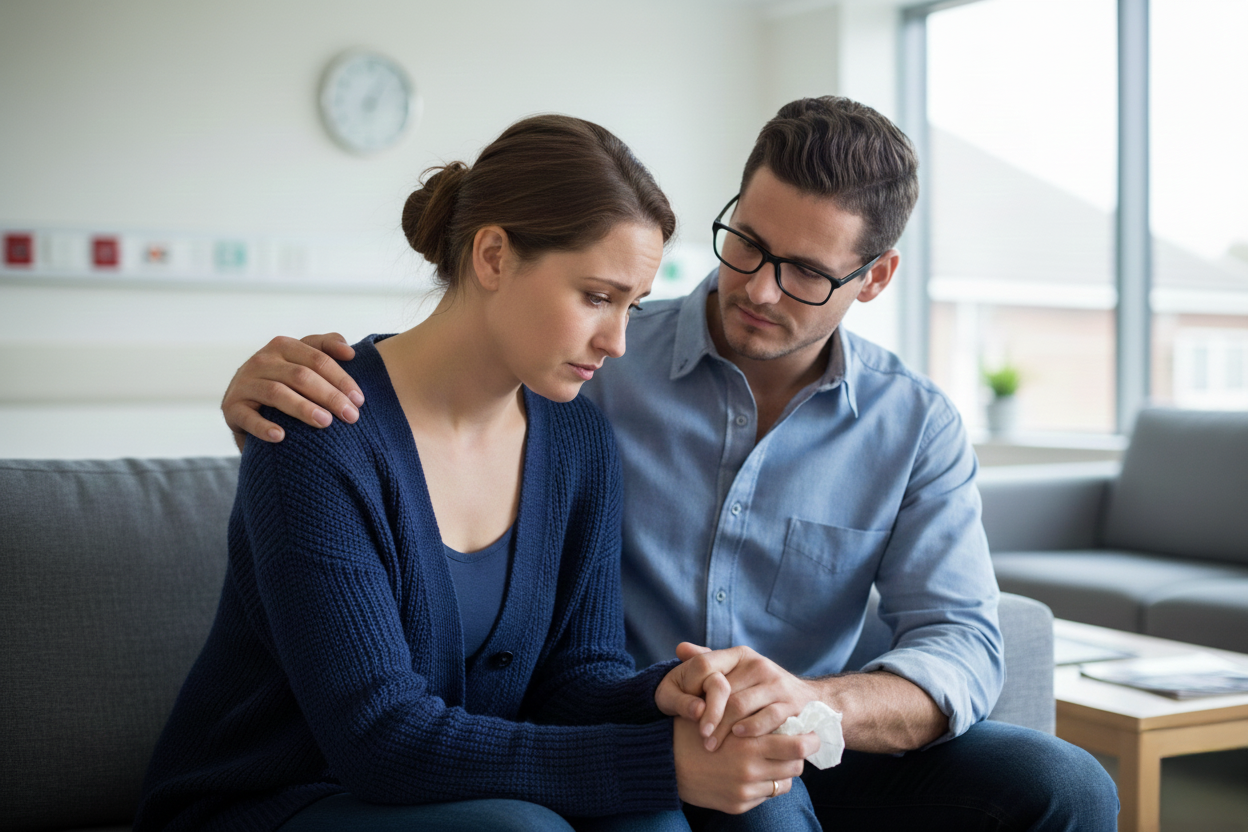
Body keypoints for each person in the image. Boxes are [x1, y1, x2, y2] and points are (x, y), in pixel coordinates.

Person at [220, 98, 1121, 831]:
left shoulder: (910, 422)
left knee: (1065, 785)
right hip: (606, 748)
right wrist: (272, 407)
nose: (758, 289)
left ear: (873, 280)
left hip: (766, 731)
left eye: (805, 271)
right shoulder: (590, 379)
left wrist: (797, 706)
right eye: (747, 245)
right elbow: (425, 398)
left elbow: (964, 642)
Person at [136, 114, 825, 832]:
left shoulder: (579, 440)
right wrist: (664, 761)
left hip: (459, 787)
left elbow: (572, 679)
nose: (618, 341)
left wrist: (666, 694)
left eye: (632, 305)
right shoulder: (317, 433)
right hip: (276, 799)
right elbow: (380, 740)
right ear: (493, 256)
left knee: (699, 814)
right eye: (596, 296)